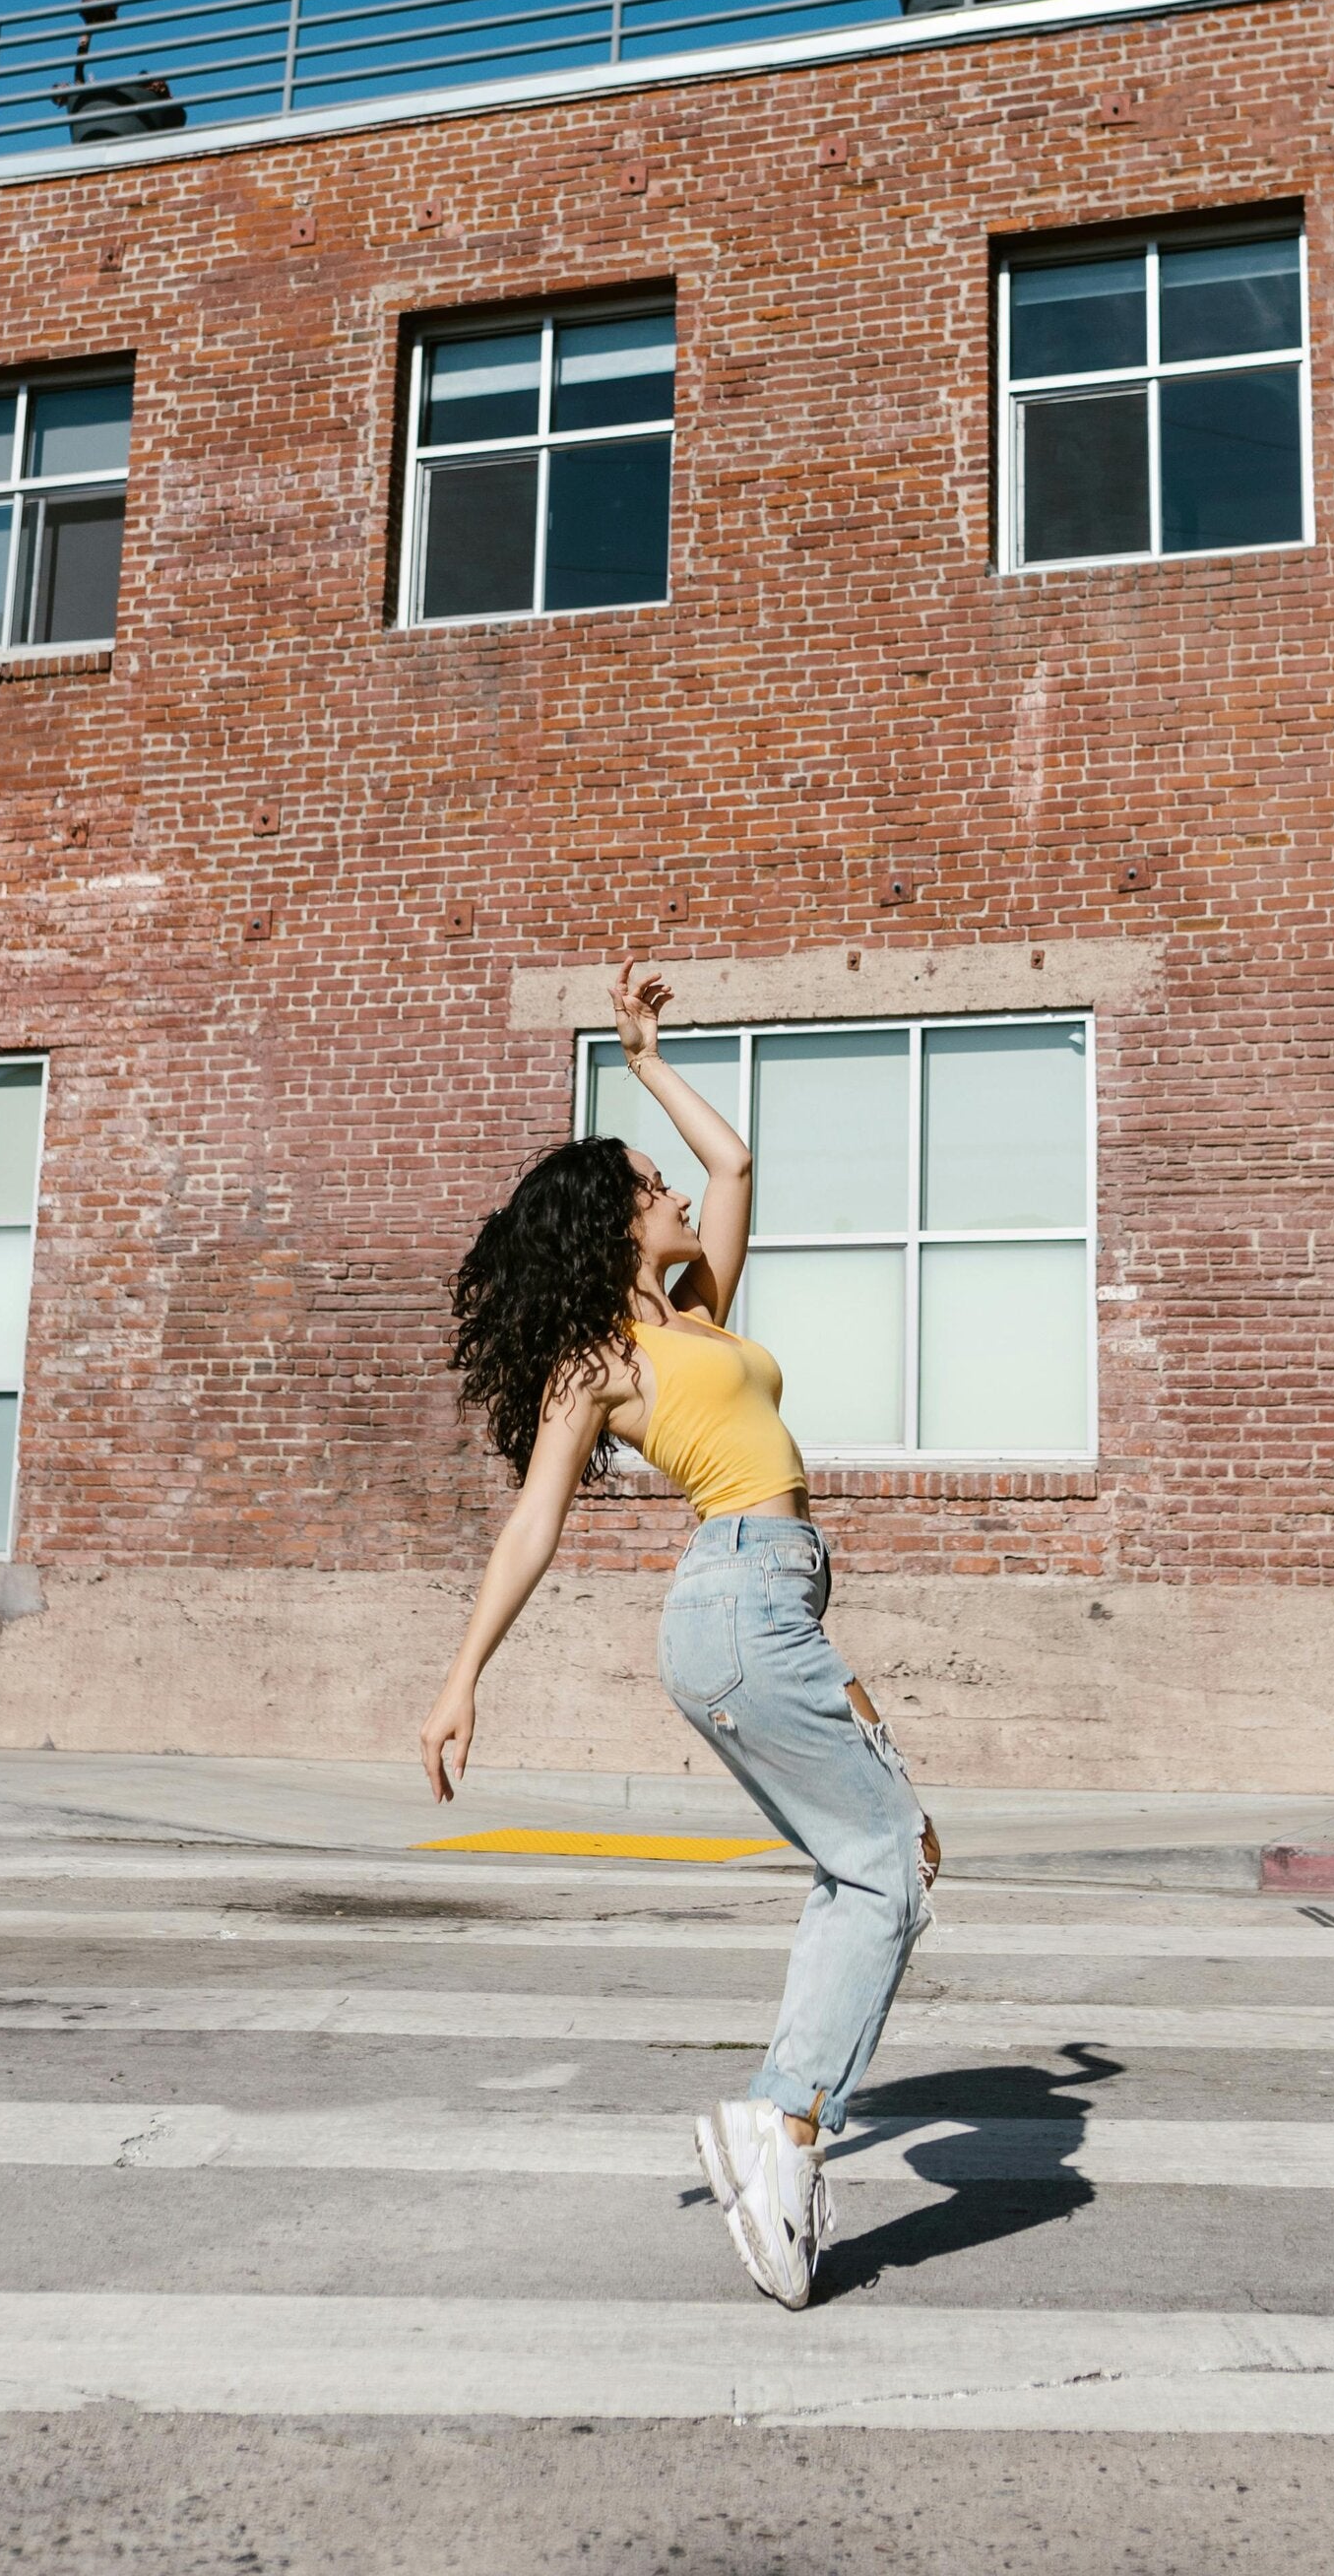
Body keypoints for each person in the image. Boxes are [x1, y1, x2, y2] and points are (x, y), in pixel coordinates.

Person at [419, 959, 939, 2309]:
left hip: (778, 1598)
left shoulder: (694, 1308)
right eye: (645, 1183)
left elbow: (739, 1157)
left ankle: (779, 2121)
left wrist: (646, 1058)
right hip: (736, 1598)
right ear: (608, 1225)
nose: (671, 1190)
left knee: (882, 1857)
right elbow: (533, 1525)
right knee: (886, 1864)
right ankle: (787, 2126)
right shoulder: (594, 1361)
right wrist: (462, 1676)